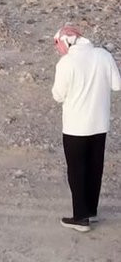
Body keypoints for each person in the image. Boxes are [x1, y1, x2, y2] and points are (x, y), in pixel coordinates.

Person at [52, 25, 120, 233]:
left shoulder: (66, 63)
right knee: (94, 168)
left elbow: (58, 95)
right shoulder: (103, 55)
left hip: (75, 126)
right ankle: (91, 210)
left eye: (57, 43)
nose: (57, 48)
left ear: (65, 41)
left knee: (77, 170)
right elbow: (117, 85)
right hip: (99, 124)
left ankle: (80, 218)